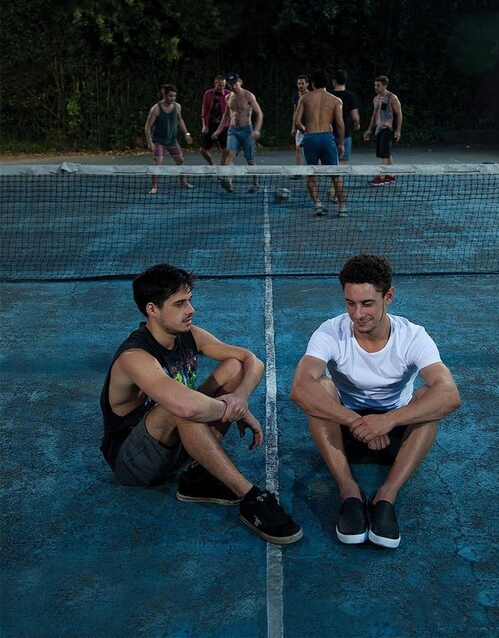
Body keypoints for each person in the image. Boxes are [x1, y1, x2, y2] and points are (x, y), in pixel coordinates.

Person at [100, 263, 303, 545]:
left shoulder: (188, 335)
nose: (191, 310)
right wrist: (234, 411)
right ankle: (251, 497)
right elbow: (187, 407)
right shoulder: (134, 356)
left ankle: (197, 477)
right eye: (180, 304)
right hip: (134, 462)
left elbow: (251, 360)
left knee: (233, 368)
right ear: (152, 309)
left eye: (189, 300)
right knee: (181, 406)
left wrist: (241, 398)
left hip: (175, 442)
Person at [290, 254, 460, 549]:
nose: (358, 314)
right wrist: (358, 422)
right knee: (321, 388)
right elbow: (300, 389)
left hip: (395, 436)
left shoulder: (413, 336)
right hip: (345, 433)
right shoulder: (330, 331)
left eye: (367, 304)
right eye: (350, 303)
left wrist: (388, 421)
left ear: (388, 297)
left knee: (428, 398)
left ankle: (386, 496)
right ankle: (349, 492)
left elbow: (450, 395)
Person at [292, 68, 347, 217]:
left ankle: (318, 205)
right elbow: (340, 123)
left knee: (310, 174)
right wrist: (341, 143)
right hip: (327, 138)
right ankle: (342, 208)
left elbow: (296, 122)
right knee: (335, 174)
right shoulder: (336, 100)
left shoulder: (304, 98)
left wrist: (306, 132)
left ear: (312, 83)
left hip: (310, 138)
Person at [213, 73, 264, 193]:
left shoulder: (248, 96)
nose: (233, 86)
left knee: (250, 159)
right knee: (230, 155)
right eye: (231, 84)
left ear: (239, 82)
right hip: (233, 131)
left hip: (247, 131)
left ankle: (256, 182)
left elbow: (259, 113)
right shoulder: (228, 97)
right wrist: (218, 130)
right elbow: (226, 115)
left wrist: (257, 130)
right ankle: (228, 181)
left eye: (235, 83)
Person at [144, 84, 194, 194]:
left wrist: (187, 134)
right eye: (171, 96)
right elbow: (148, 126)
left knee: (180, 161)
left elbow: (180, 120)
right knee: (158, 163)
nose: (173, 98)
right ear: (165, 95)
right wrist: (149, 142)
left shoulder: (177, 107)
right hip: (158, 141)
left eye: (174, 96)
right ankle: (154, 186)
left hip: (172, 140)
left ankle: (183, 181)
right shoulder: (156, 109)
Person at [363, 76, 403, 186]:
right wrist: (369, 130)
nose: (376, 87)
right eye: (375, 85)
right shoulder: (376, 99)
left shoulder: (392, 98)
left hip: (389, 129)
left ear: (385, 86)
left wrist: (398, 130)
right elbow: (374, 115)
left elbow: (399, 114)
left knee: (383, 154)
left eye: (378, 85)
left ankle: (381, 177)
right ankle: (391, 175)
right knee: (386, 153)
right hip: (379, 129)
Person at [200, 75, 230, 167]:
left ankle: (223, 168)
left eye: (223, 86)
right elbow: (204, 110)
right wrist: (204, 125)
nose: (221, 88)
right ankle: (213, 166)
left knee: (226, 149)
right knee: (203, 150)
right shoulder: (208, 93)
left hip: (224, 125)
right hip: (211, 124)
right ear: (215, 83)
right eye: (220, 85)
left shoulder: (229, 94)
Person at [332, 70, 360, 163]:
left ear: (334, 81)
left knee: (330, 162)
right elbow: (355, 117)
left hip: (329, 133)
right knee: (342, 162)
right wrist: (357, 125)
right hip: (345, 134)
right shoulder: (350, 95)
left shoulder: (329, 95)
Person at [290, 74, 310, 165]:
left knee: (312, 149)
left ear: (307, 84)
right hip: (300, 126)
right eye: (299, 84)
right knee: (298, 148)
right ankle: (298, 169)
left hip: (310, 126)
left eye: (302, 83)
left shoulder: (311, 95)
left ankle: (315, 168)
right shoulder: (296, 96)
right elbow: (295, 112)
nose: (300, 85)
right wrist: (293, 127)